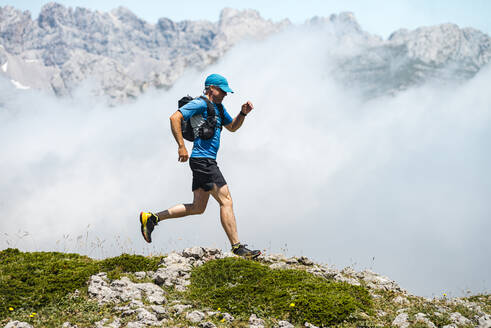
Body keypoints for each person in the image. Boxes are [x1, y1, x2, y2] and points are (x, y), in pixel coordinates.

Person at [139, 74, 261, 258]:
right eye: (222, 91)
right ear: (211, 88)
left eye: (226, 92)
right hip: (204, 161)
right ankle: (237, 248)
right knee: (226, 201)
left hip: (203, 161)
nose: (225, 95)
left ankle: (152, 218)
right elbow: (174, 118)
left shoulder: (219, 108)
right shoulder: (200, 103)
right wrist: (181, 146)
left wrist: (243, 113)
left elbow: (233, 127)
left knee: (198, 207)